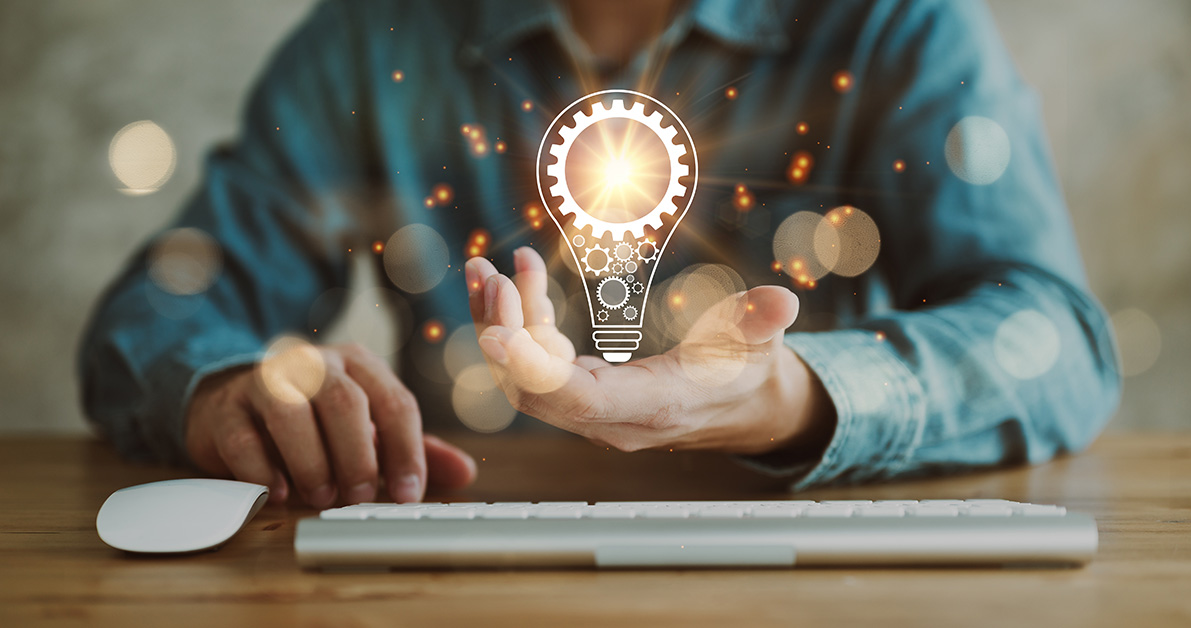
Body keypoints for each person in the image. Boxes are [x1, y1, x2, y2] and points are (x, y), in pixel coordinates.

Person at [79, 0, 1121, 509]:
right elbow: (155, 314)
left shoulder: (896, 24)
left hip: (813, 575)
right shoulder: (376, 37)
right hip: (464, 556)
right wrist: (221, 390)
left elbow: (1056, 339)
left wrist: (797, 395)